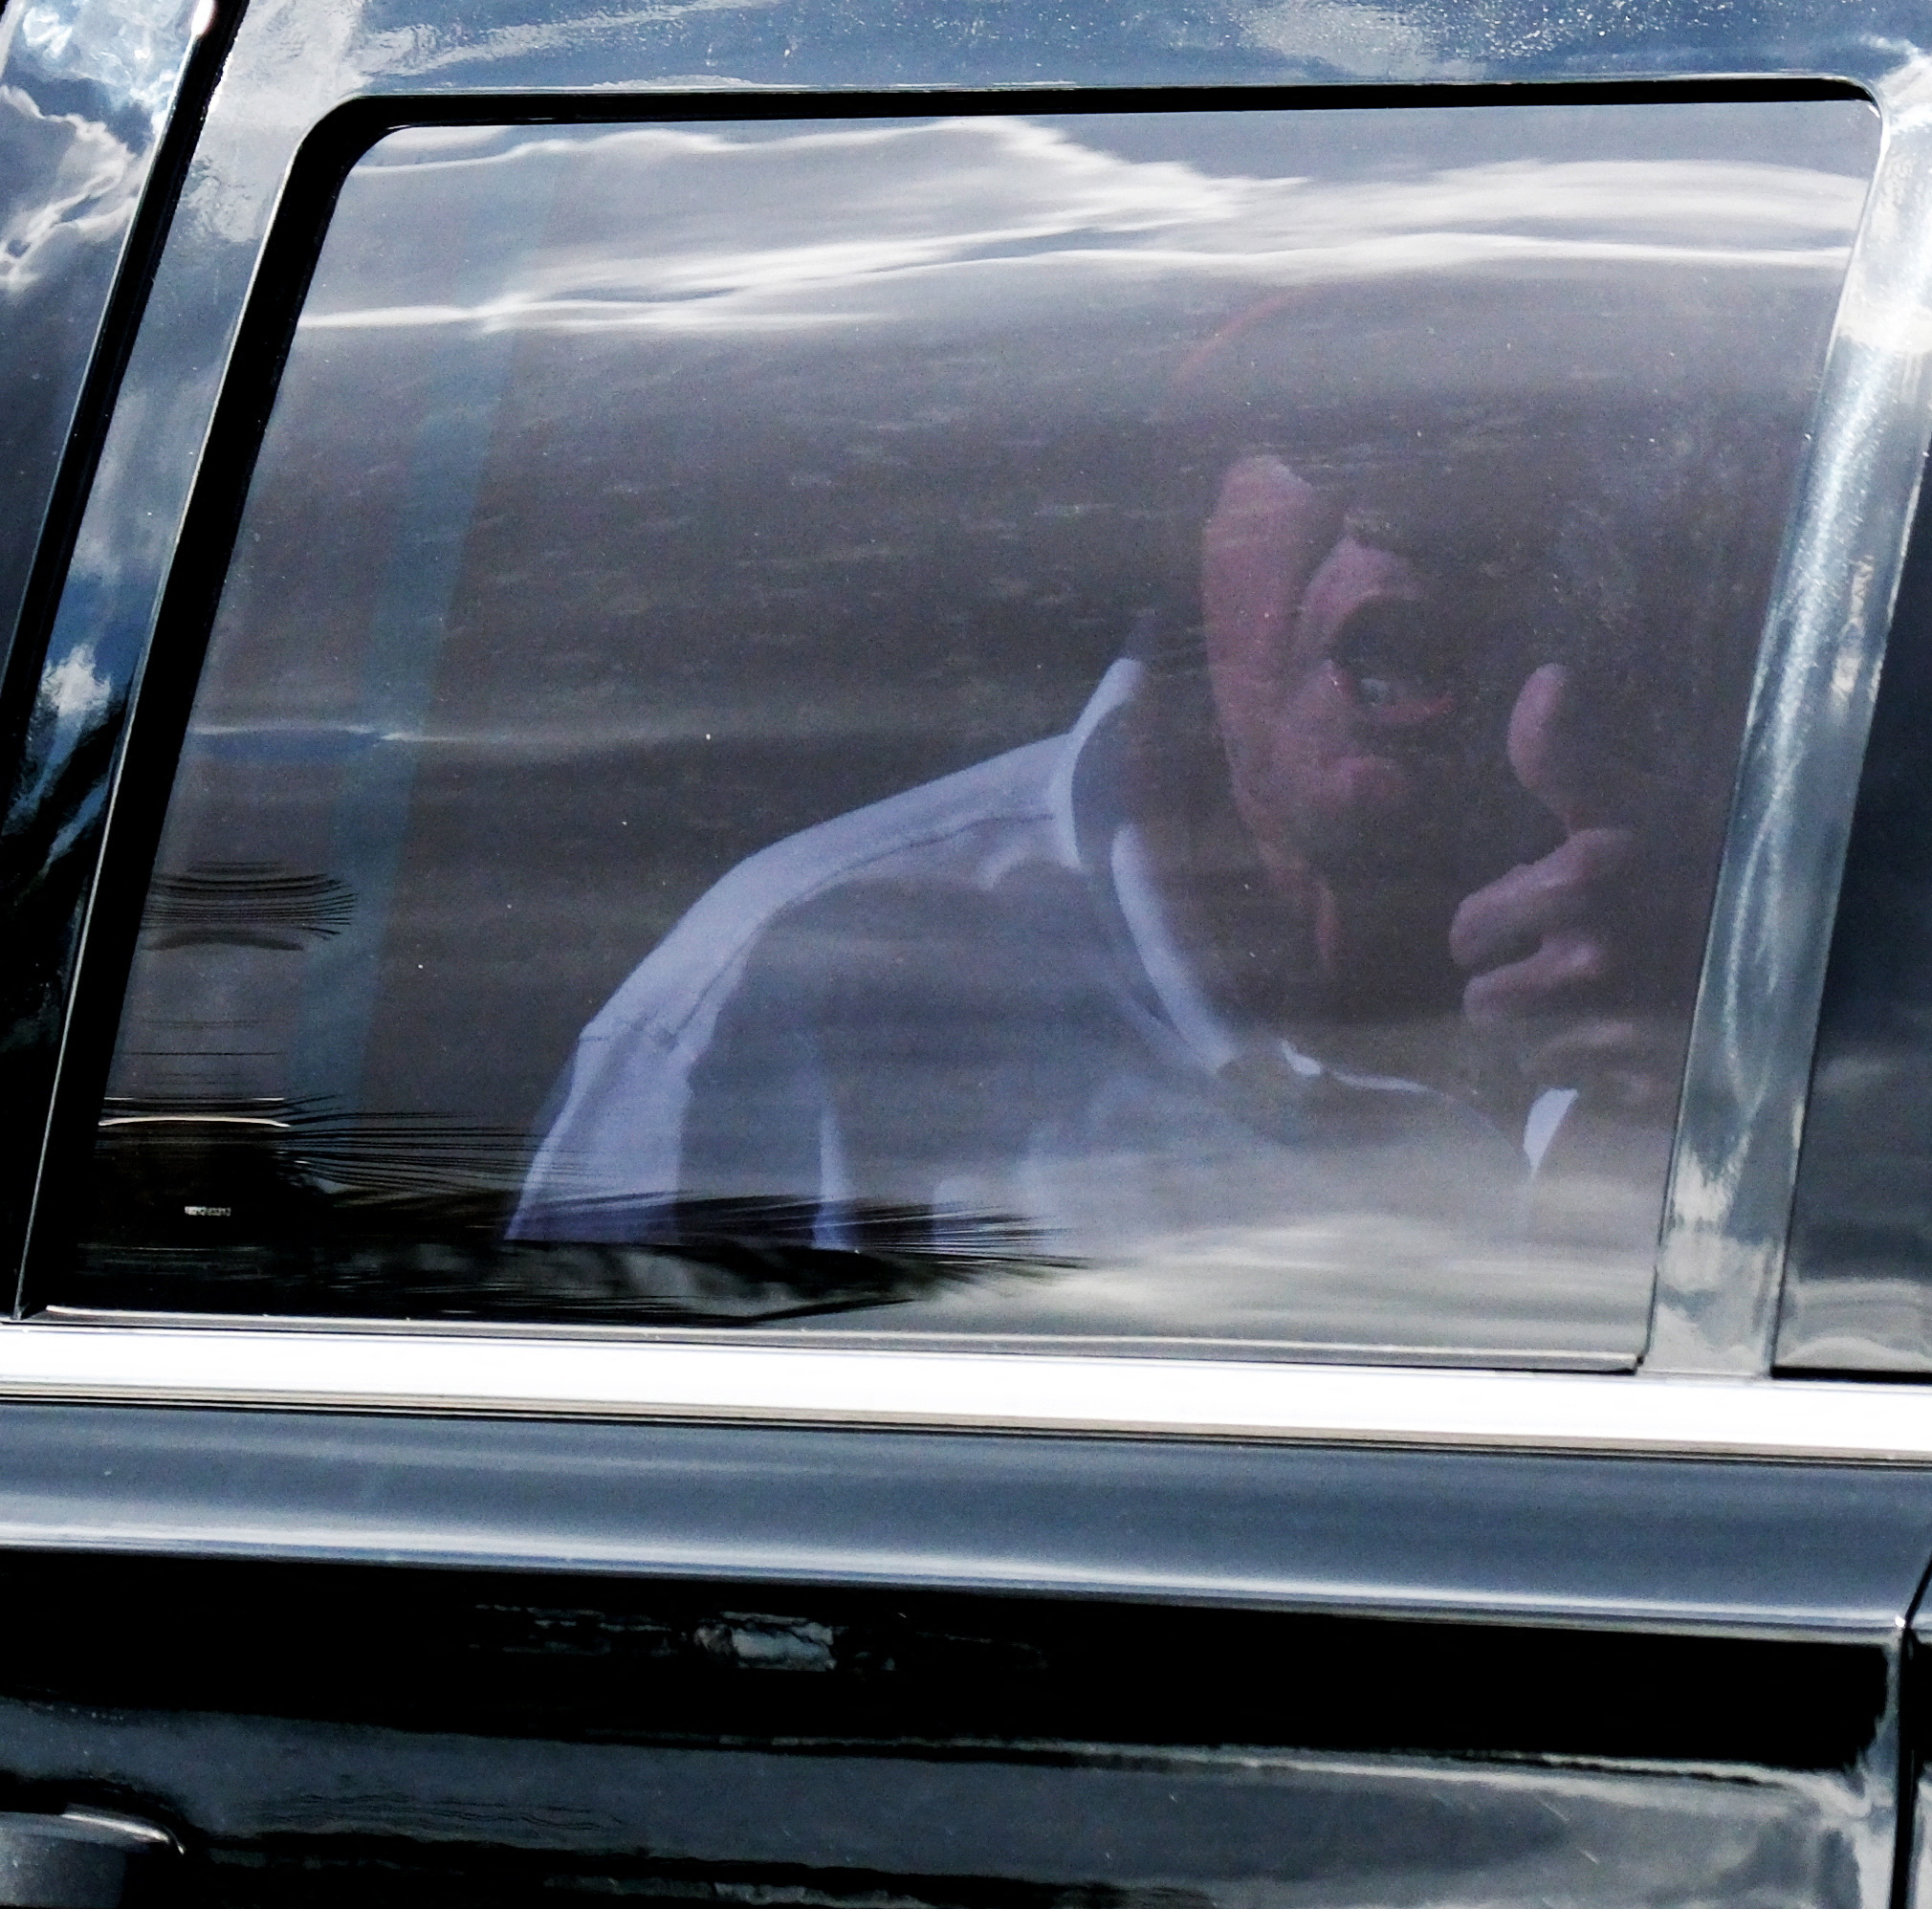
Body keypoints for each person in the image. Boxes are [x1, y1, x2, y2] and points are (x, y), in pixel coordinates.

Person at [508, 285, 1753, 1284]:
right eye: (1336, 419)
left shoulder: (1768, 975)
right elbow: (567, 1545)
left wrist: (1731, 1075)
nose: (1415, 511)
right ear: (1186, 517)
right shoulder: (799, 996)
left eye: (1540, 438)